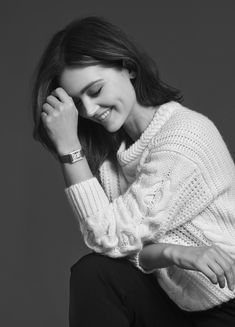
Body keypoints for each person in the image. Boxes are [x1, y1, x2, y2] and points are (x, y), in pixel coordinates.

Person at [32, 16, 235, 327]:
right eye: (77, 102)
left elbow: (110, 237)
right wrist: (175, 253)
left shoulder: (185, 137)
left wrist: (69, 148)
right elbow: (124, 253)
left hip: (227, 303)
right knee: (94, 272)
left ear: (128, 67)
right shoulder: (115, 161)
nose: (88, 110)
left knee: (98, 265)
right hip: (179, 308)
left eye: (95, 89)